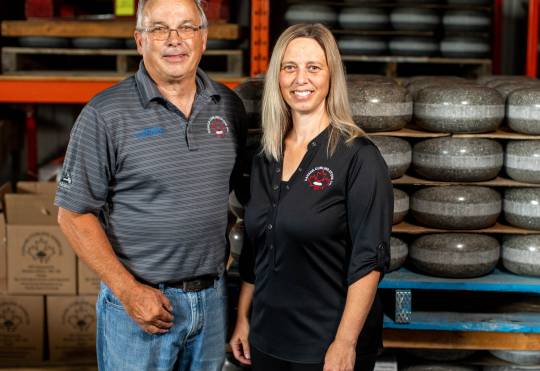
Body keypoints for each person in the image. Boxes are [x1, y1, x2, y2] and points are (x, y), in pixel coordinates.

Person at [55, 0, 246, 369]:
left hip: (213, 300)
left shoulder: (229, 107)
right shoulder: (105, 114)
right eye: (159, 29)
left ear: (203, 38)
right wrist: (128, 292)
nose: (174, 40)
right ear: (140, 41)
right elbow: (73, 215)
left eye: (186, 27)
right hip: (141, 306)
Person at [230, 23, 393, 371]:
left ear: (331, 76)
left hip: (327, 345)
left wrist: (345, 343)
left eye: (313, 67)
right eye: (289, 67)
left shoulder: (359, 158)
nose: (300, 78)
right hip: (267, 339)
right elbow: (255, 250)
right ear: (277, 77)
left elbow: (370, 260)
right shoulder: (266, 156)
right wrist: (244, 318)